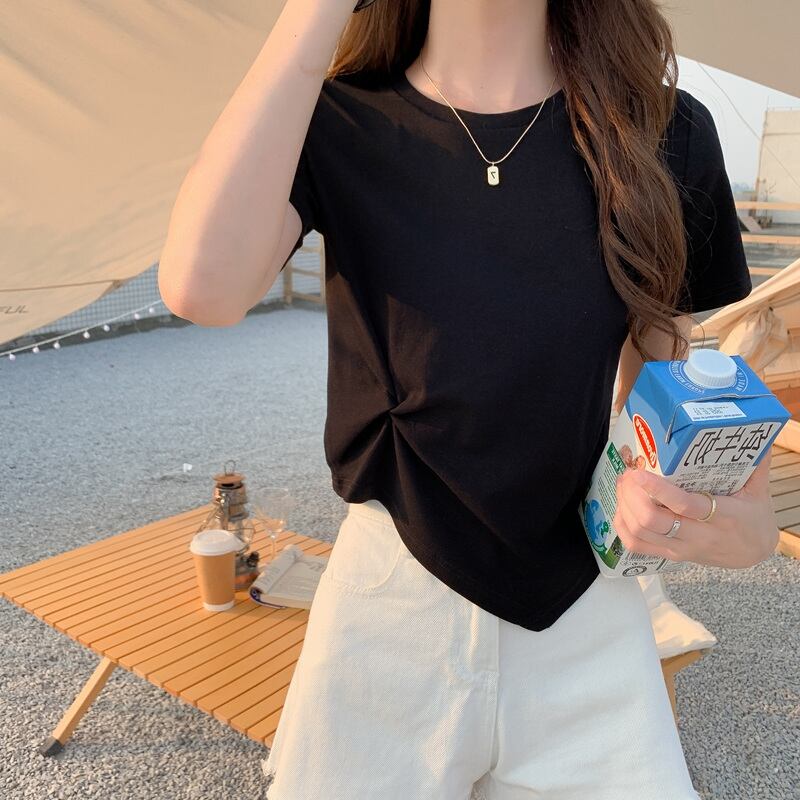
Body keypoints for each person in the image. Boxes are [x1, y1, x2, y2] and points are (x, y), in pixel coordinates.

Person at [158, 1, 780, 797]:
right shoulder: (334, 118)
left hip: (587, 606)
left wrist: (726, 518)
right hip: (388, 601)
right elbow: (202, 288)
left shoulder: (662, 131)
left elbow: (658, 396)